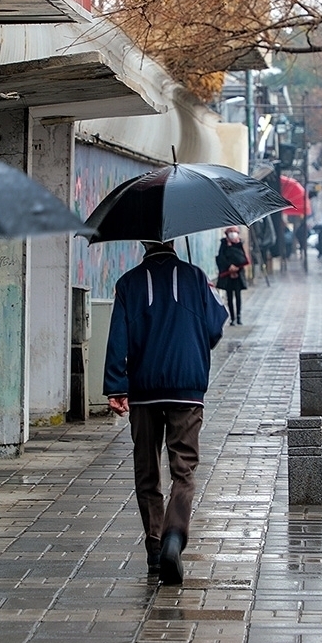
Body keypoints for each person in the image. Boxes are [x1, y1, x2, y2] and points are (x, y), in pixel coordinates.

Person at [103, 240, 227, 585]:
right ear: (173, 240)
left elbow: (117, 338)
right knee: (183, 469)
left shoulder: (128, 283)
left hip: (143, 389)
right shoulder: (195, 277)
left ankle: (155, 549)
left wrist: (116, 386)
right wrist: (194, 347)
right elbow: (216, 326)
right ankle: (175, 535)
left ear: (143, 242)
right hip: (187, 387)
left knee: (146, 469)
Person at [215, 227, 250, 324]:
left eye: (234, 232)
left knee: (238, 295)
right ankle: (232, 318)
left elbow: (243, 258)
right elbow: (221, 258)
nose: (233, 234)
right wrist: (229, 266)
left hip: (238, 274)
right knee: (229, 296)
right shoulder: (223, 244)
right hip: (228, 274)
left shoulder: (239, 244)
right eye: (230, 232)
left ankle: (239, 316)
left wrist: (236, 268)